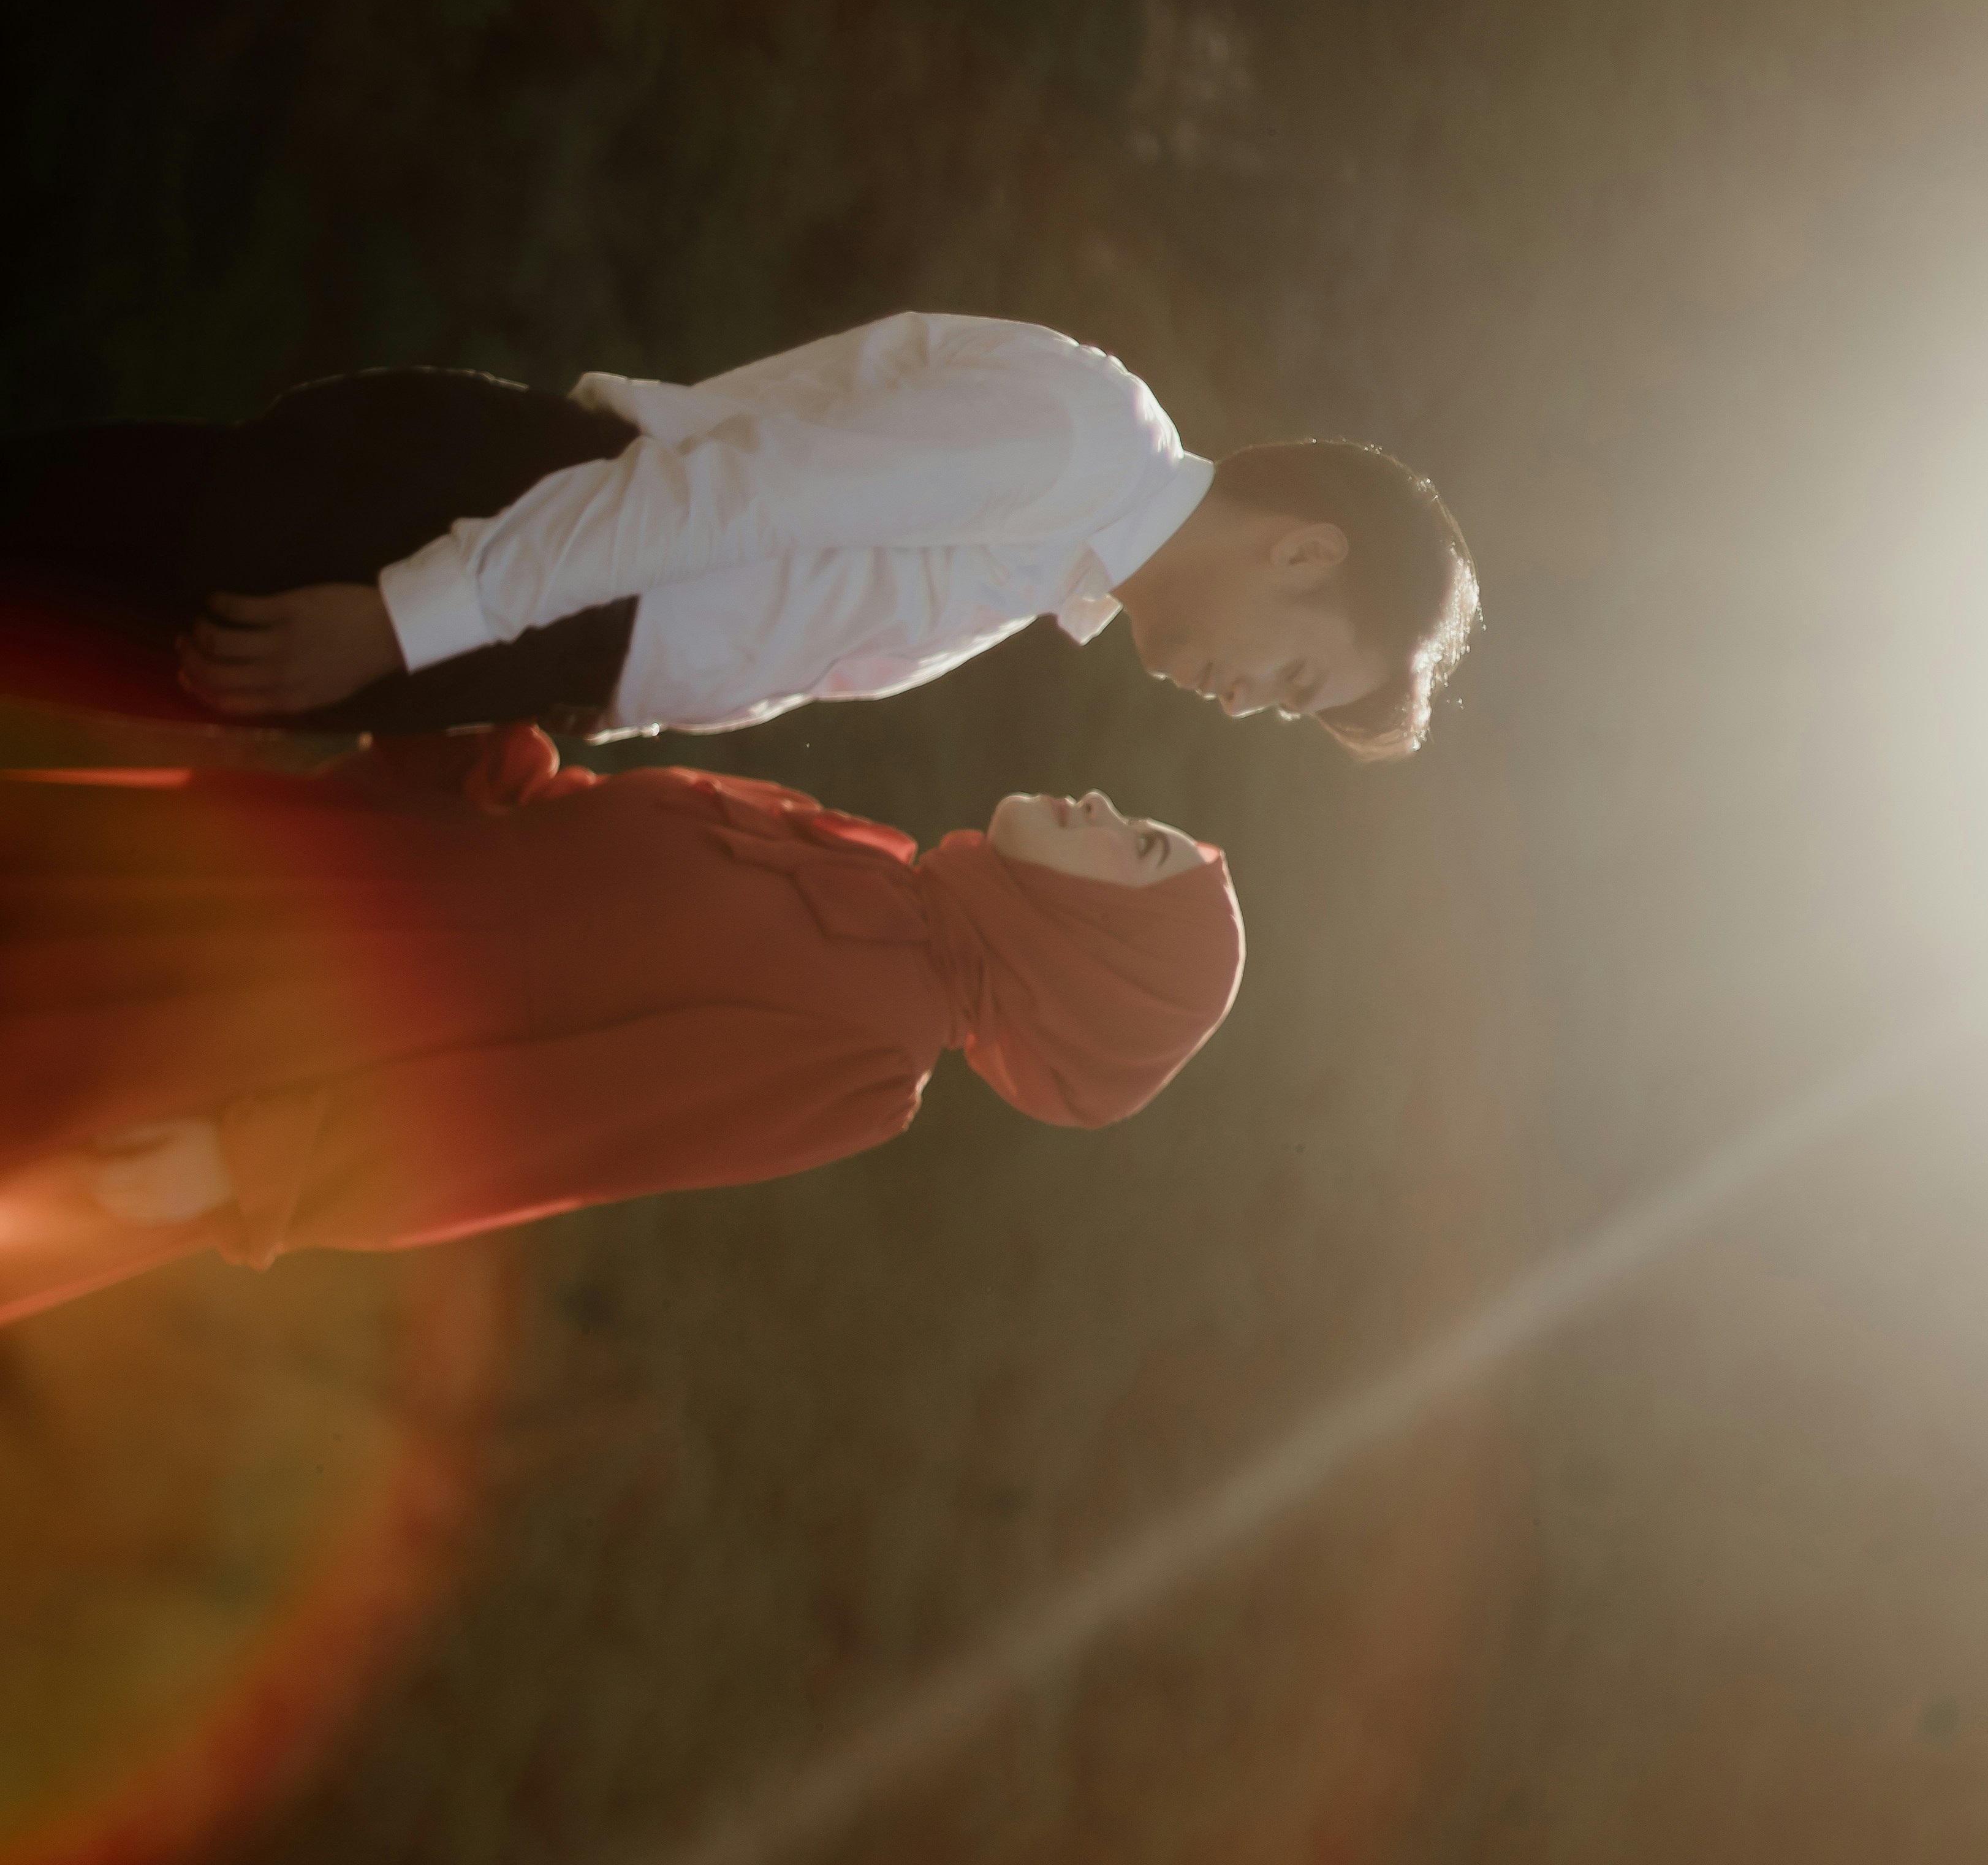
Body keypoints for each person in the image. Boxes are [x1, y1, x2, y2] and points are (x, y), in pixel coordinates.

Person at [0, 731, 1245, 1332]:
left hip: (272, 1030)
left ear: (1103, 957)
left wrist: (251, 1166)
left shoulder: (871, 1066)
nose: (1101, 802)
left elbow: (542, 1135)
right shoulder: (868, 852)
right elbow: (562, 825)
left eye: (1133, 846)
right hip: (274, 879)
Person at [0, 313, 1477, 761]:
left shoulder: (1054, 565)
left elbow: (745, 632)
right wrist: (403, 617)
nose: (1245, 706)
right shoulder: (1081, 444)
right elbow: (726, 499)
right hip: (475, 533)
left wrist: (538, 714)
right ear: (1305, 555)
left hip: (515, 622)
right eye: (1294, 683)